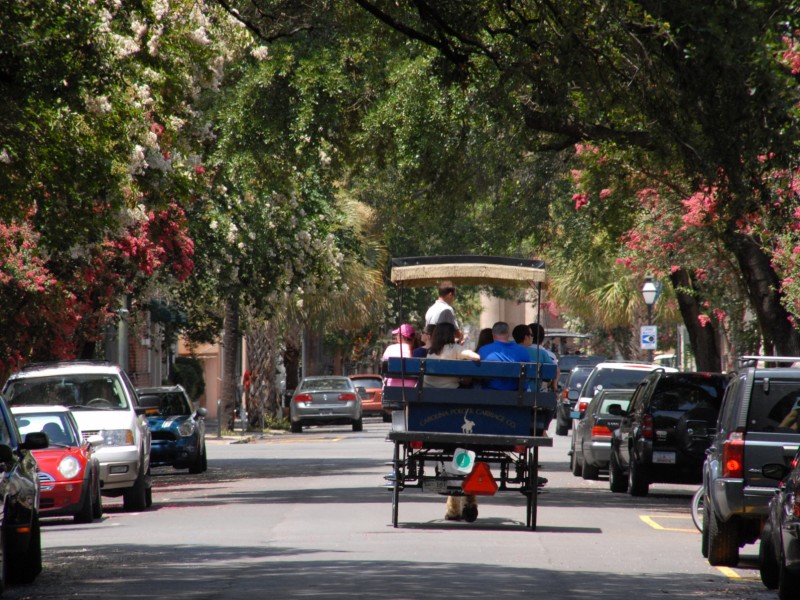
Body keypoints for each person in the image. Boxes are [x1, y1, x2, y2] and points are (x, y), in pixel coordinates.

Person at [423, 323, 480, 388]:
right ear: (451, 334)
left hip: (427, 389)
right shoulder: (454, 348)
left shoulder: (431, 350)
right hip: (450, 390)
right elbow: (476, 357)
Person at [477, 322, 531, 390]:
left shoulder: (483, 350)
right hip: (515, 396)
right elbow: (526, 378)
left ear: (493, 335)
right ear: (508, 334)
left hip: (488, 395)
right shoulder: (522, 351)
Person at [527, 323, 560, 390]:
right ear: (542, 338)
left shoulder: (519, 352)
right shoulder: (550, 355)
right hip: (539, 394)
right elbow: (555, 372)